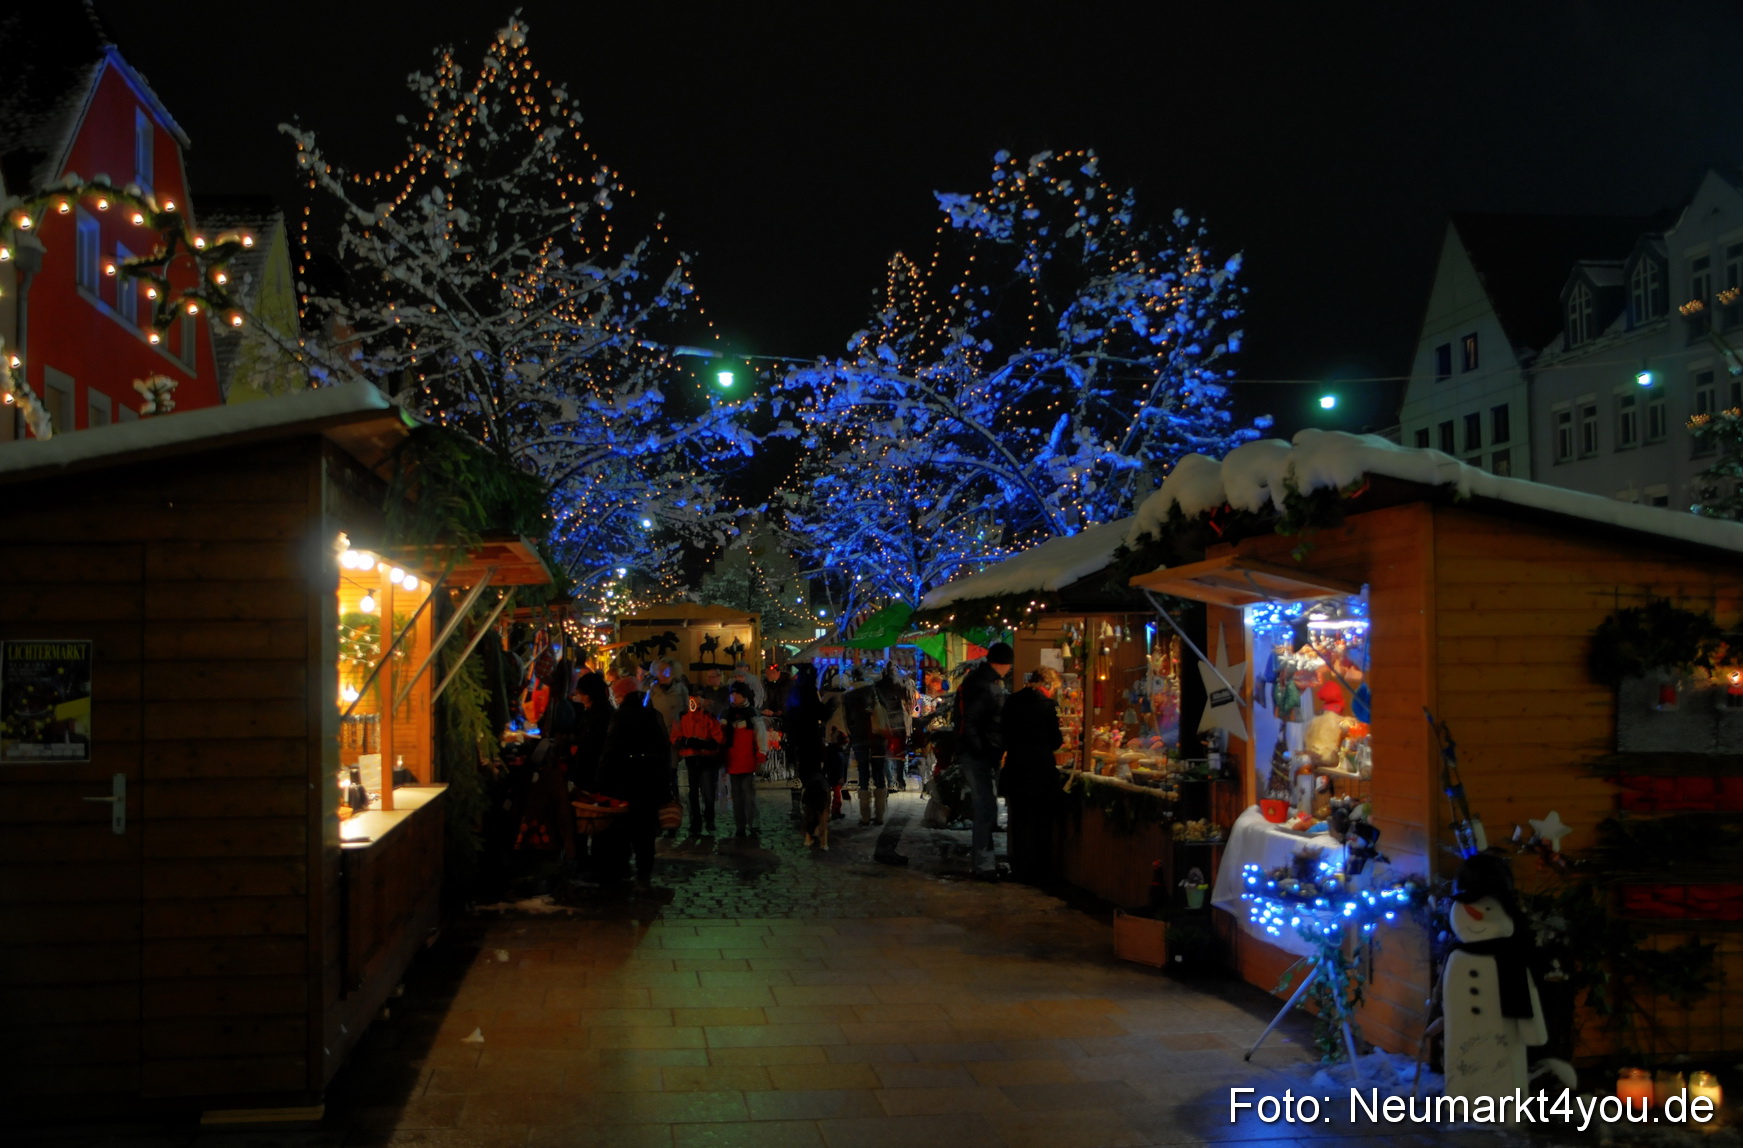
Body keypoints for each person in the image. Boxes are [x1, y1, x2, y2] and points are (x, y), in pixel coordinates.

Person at [597, 691, 675, 888]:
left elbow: (610, 750)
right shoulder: (652, 718)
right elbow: (664, 751)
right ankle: (644, 868)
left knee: (622, 826)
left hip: (624, 780)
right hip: (649, 781)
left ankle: (622, 866)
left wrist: (602, 780)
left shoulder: (620, 717)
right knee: (646, 830)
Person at [1000, 666, 1066, 884]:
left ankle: (1020, 868)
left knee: (1019, 822)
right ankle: (1039, 872)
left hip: (1016, 768)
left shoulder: (1012, 701)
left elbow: (1004, 735)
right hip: (1041, 772)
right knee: (1041, 822)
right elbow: (1056, 741)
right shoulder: (1047, 706)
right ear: (1047, 685)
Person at [956, 642, 1014, 880]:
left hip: (981, 752)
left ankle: (985, 862)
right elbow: (971, 723)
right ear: (1004, 663)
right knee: (986, 807)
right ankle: (984, 865)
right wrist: (983, 751)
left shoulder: (980, 681)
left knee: (988, 806)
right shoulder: (984, 685)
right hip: (979, 755)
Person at [785, 665, 829, 848]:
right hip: (812, 742)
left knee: (802, 778)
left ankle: (804, 812)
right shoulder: (811, 692)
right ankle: (813, 819)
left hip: (800, 743)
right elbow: (820, 713)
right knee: (814, 779)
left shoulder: (795, 693)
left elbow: (790, 717)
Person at [671, 694, 725, 839]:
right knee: (697, 792)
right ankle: (700, 821)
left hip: (702, 757)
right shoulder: (686, 717)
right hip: (695, 757)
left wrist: (693, 743)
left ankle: (703, 820)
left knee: (703, 792)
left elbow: (717, 737)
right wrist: (692, 742)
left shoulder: (706, 717)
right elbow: (676, 736)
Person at [645, 659, 688, 838]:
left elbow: (686, 711)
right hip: (655, 740)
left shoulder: (681, 690)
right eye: (661, 670)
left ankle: (671, 818)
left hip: (673, 739)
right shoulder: (650, 690)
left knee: (671, 779)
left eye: (667, 671)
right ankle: (657, 819)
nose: (664, 674)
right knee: (656, 780)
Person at [720, 681, 768, 839]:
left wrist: (761, 752)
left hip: (747, 760)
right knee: (737, 796)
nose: (734, 697)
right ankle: (740, 826)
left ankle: (752, 823)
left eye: (738, 694)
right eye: (732, 694)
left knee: (748, 795)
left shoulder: (751, 714)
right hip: (733, 760)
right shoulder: (726, 713)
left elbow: (760, 734)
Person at [840, 667, 883, 825]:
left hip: (859, 738)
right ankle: (880, 815)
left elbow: (847, 721)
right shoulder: (875, 691)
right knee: (879, 773)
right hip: (877, 737)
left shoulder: (848, 696)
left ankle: (865, 816)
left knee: (863, 773)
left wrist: (852, 738)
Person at [872, 664, 914, 792]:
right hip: (899, 724)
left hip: (885, 723)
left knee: (888, 753)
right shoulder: (901, 684)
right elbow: (909, 701)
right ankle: (900, 781)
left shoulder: (878, 686)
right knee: (899, 754)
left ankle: (891, 781)